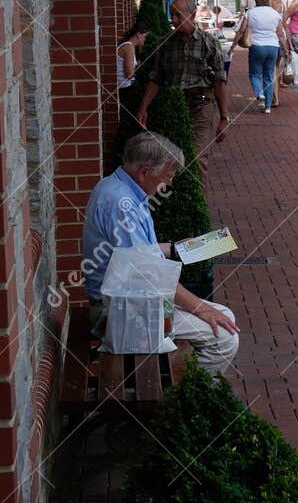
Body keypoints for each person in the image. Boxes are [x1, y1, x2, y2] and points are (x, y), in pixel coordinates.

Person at [81, 132, 239, 374]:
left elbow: (133, 255)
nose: (170, 184)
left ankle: (186, 384)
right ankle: (187, 399)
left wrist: (176, 248)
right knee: (226, 337)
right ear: (145, 172)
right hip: (120, 313)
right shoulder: (122, 206)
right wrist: (202, 309)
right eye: (167, 176)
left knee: (224, 316)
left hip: (129, 302)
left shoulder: (116, 188)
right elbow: (148, 276)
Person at [135, 0, 230, 174]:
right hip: (174, 106)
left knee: (197, 157)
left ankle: (198, 200)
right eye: (171, 15)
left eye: (178, 15)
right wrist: (143, 108)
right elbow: (156, 78)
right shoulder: (165, 43)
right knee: (170, 158)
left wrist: (224, 118)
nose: (173, 20)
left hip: (200, 105)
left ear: (192, 15)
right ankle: (176, 197)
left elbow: (219, 82)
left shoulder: (209, 43)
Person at [242, 0, 287, 114]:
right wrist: (286, 49)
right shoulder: (275, 14)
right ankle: (267, 107)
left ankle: (259, 93)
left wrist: (234, 45)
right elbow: (280, 33)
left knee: (255, 74)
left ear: (256, 0)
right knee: (268, 76)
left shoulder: (250, 13)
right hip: (273, 46)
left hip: (257, 46)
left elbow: (241, 30)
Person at [115, 22, 147, 90]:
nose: (145, 39)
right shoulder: (128, 47)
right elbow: (129, 74)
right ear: (138, 34)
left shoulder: (130, 46)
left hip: (126, 86)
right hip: (125, 88)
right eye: (144, 36)